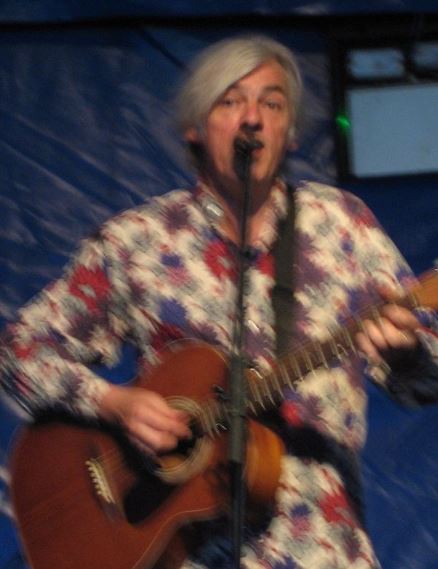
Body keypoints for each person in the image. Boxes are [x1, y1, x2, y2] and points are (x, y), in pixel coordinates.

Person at [1, 35, 438, 569]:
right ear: (195, 127)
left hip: (323, 551)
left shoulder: (343, 226)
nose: (252, 118)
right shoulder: (138, 242)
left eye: (272, 104)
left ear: (290, 134)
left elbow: (426, 382)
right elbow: (19, 351)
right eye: (231, 101)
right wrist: (114, 404)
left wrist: (408, 354)